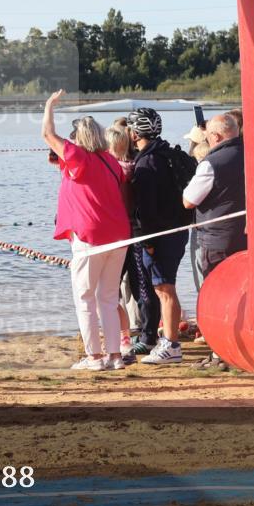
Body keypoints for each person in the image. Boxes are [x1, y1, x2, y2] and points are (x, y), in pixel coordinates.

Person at [44, 90, 130, 371]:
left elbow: (48, 134)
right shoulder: (110, 161)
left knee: (84, 298)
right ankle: (115, 356)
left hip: (90, 238)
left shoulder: (78, 157)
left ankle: (94, 357)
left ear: (78, 139)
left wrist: (49, 106)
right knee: (108, 298)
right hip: (119, 237)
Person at [128, 107, 195, 365]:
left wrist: (148, 242)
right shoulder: (169, 153)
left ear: (135, 134)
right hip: (178, 230)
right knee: (166, 288)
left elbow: (146, 209)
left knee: (164, 289)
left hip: (160, 235)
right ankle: (169, 340)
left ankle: (171, 344)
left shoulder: (146, 163)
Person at [182, 113, 247, 369]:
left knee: (215, 298)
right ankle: (238, 351)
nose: (206, 138)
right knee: (240, 295)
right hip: (245, 237)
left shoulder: (212, 163)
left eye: (208, 134)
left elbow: (188, 199)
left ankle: (220, 354)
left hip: (216, 239)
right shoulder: (251, 153)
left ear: (217, 136)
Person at [106, 122, 143, 358]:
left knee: (111, 290)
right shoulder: (134, 167)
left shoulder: (112, 171)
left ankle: (121, 336)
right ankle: (136, 332)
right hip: (135, 231)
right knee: (136, 284)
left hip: (117, 233)